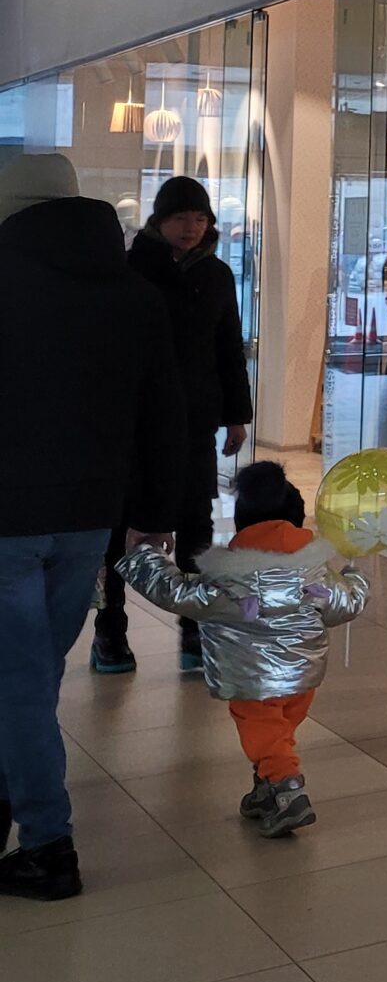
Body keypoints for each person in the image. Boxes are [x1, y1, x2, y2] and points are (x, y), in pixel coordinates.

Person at [0, 153, 187, 901]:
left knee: (19, 680)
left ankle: (48, 846)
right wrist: (155, 513)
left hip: (8, 519)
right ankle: (15, 793)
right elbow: (164, 412)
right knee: (33, 674)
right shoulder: (133, 293)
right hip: (89, 518)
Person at [118, 462, 366, 840]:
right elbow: (344, 604)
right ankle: (267, 789)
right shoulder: (316, 572)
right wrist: (355, 577)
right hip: (303, 678)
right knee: (279, 733)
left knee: (263, 732)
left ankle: (287, 789)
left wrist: (144, 555)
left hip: (253, 681)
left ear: (242, 523)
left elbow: (175, 591)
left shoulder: (229, 580)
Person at [92, 175, 252, 676]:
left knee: (196, 527)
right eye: (182, 217)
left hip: (196, 418)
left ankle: (194, 630)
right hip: (137, 420)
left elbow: (229, 347)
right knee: (121, 527)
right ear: (160, 220)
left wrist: (236, 414)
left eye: (200, 218)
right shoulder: (132, 268)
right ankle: (110, 631)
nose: (191, 227)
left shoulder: (217, 275)